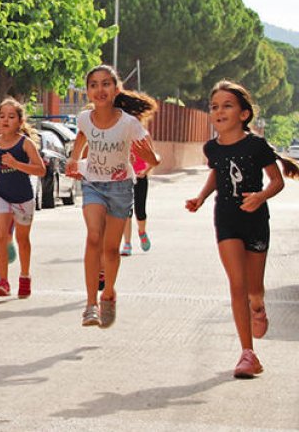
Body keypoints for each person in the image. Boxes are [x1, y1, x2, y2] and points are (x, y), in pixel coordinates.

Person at [185, 80, 299, 379]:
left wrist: (261, 196)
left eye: (227, 105)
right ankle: (248, 354)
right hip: (226, 218)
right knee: (236, 284)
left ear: (244, 114)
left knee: (253, 289)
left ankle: (258, 306)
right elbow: (217, 175)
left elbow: (277, 181)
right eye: (214, 107)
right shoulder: (212, 147)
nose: (219, 111)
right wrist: (200, 197)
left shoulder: (256, 146)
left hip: (256, 220)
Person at [65, 65, 158, 329]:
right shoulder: (84, 118)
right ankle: (90, 304)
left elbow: (154, 157)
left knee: (111, 249)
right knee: (93, 236)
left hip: (120, 188)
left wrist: (149, 157)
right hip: (93, 183)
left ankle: (108, 294)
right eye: (93, 84)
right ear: (88, 91)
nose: (100, 89)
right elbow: (82, 136)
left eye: (106, 84)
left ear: (116, 90)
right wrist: (74, 159)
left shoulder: (130, 124)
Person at [0, 99, 45, 298]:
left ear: (20, 121)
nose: (5, 120)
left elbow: (40, 170)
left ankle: (24, 276)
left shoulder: (25, 144)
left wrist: (16, 164)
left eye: (11, 116)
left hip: (23, 197)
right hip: (1, 194)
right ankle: (3, 281)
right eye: (2, 116)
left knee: (22, 239)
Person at [122, 122, 155, 255]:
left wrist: (146, 170)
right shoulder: (121, 135)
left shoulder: (144, 136)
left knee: (140, 210)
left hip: (141, 176)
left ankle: (142, 232)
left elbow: (153, 157)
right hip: (125, 178)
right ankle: (127, 244)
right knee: (126, 212)